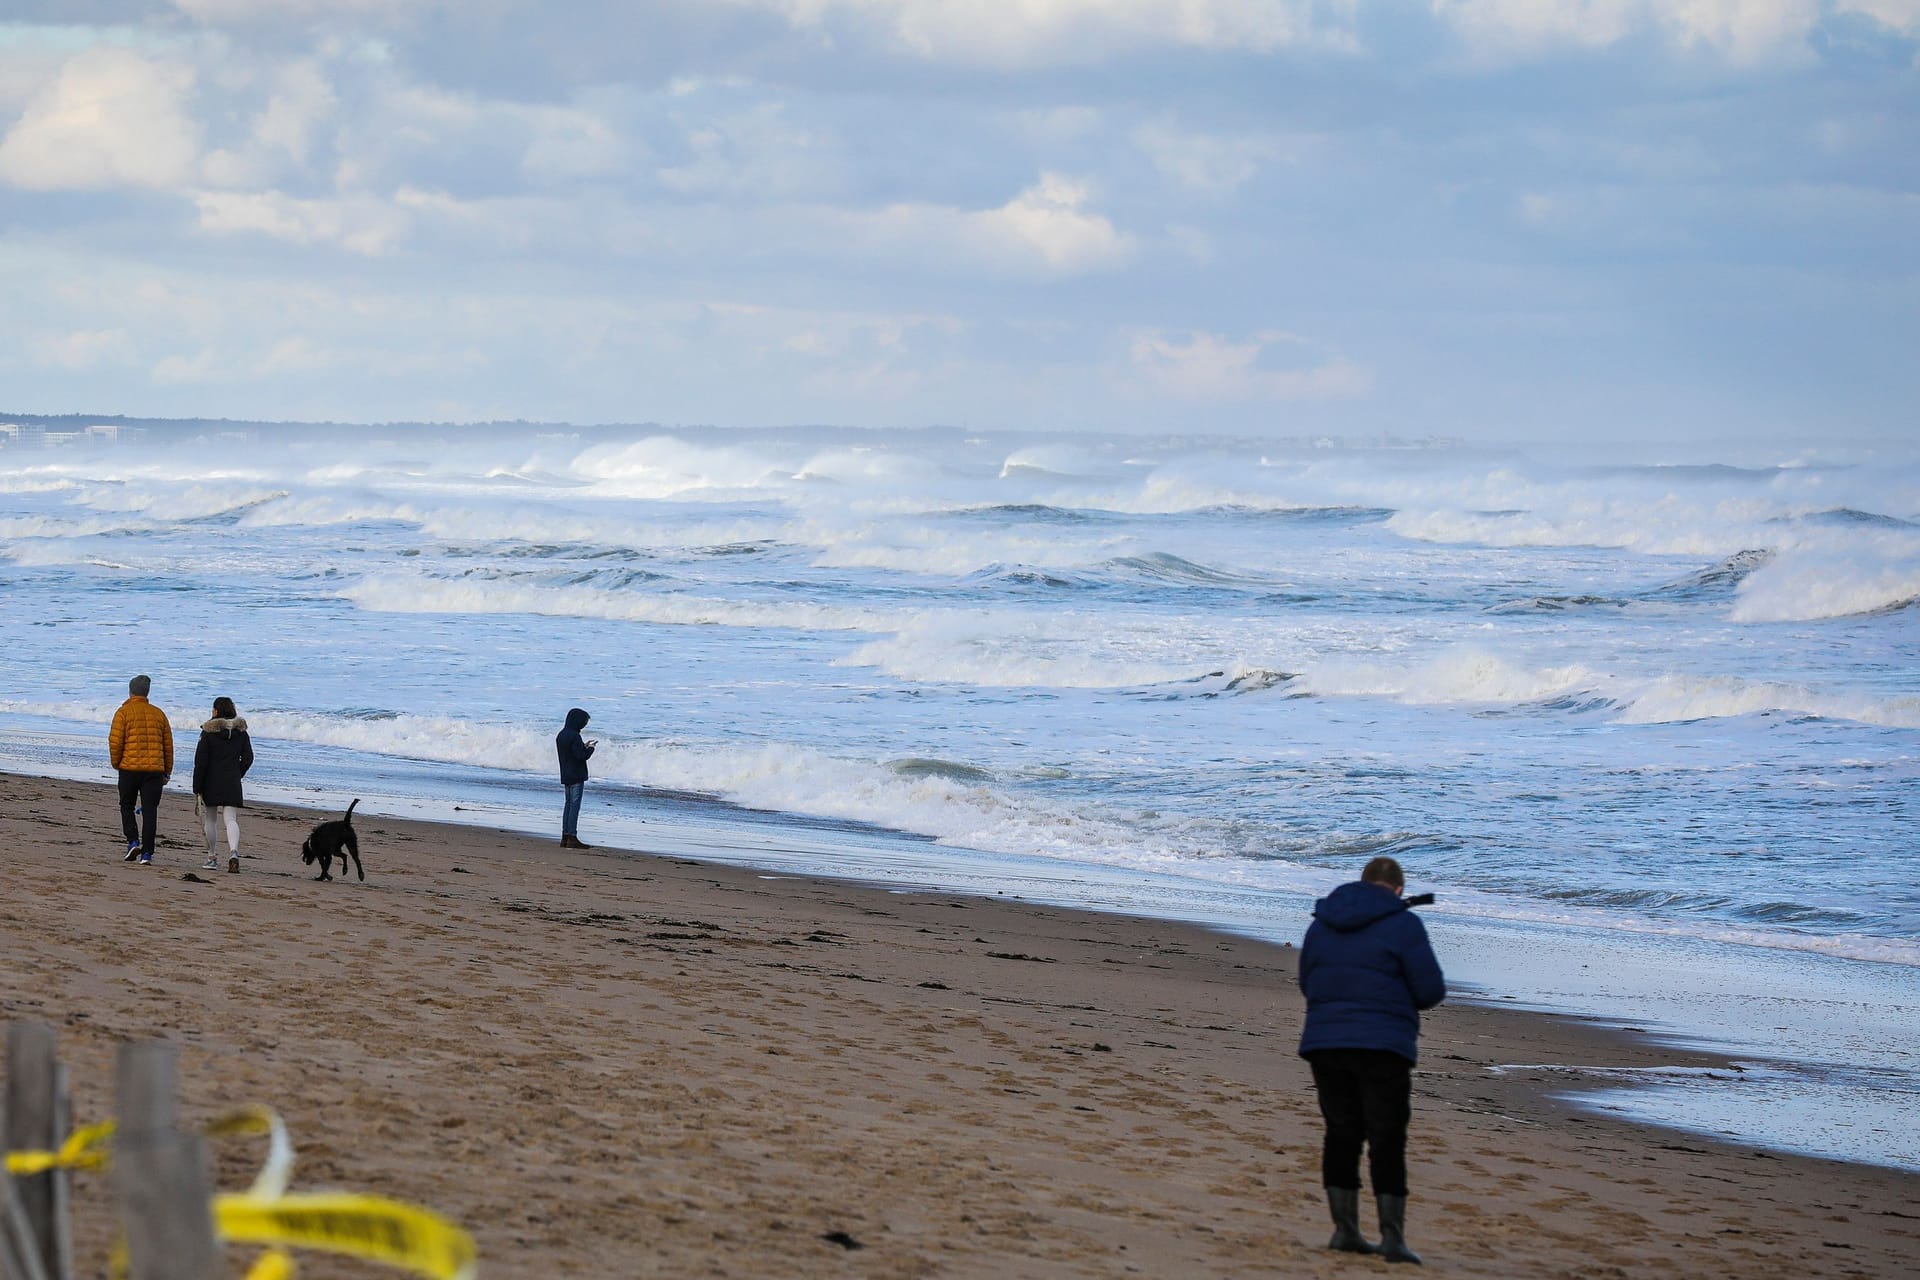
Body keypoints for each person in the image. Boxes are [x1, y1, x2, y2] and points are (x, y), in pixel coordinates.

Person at [1297, 855, 1446, 1264]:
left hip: (1326, 1041)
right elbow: (1430, 991)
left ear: (1361, 884)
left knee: (1341, 1132)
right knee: (1386, 1137)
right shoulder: (1405, 925)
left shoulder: (1321, 922)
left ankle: (1345, 1230)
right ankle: (1392, 1238)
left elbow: (1307, 981)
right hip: (1383, 1045)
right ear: (1398, 890)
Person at [109, 674, 173, 866]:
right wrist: (167, 771)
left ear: (130, 691)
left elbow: (115, 742)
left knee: (126, 805)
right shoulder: (159, 714)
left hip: (129, 768)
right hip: (154, 770)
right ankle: (147, 854)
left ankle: (133, 841)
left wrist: (116, 763)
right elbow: (167, 745)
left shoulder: (123, 713)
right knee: (150, 811)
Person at [191, 696, 254, 874]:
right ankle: (233, 852)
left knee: (210, 819)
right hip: (232, 780)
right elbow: (248, 758)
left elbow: (200, 762)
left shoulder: (208, 732)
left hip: (211, 780)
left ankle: (211, 857)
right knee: (231, 819)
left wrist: (197, 786)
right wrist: (238, 773)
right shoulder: (241, 732)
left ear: (216, 711)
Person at [555, 707, 597, 849]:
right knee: (574, 806)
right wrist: (590, 748)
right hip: (576, 775)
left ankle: (565, 837)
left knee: (568, 805)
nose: (584, 725)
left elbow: (572, 752)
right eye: (583, 722)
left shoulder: (562, 734)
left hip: (566, 774)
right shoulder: (575, 736)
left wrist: (582, 746)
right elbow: (581, 756)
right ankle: (572, 837)